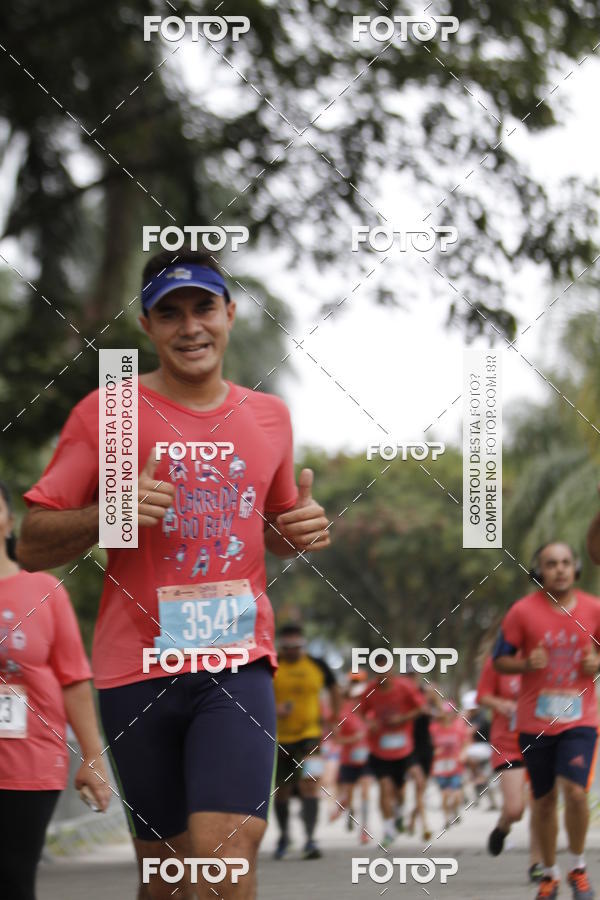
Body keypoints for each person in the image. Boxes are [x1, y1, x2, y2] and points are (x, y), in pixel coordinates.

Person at [17, 249, 331, 900]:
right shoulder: (109, 414)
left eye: (203, 308)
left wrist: (295, 531)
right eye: (171, 313)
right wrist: (112, 514)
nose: (190, 326)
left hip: (238, 663)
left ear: (230, 314)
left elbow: (270, 525)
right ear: (147, 326)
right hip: (138, 673)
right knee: (165, 880)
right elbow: (32, 542)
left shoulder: (269, 416)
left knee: (223, 854)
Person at [0, 480, 111, 900]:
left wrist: (93, 758)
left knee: (12, 878)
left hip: (28, 764)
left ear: (10, 520)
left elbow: (74, 679)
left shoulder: (44, 591)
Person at [494, 542, 600, 900]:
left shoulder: (594, 608)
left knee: (575, 793)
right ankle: (550, 874)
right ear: (539, 571)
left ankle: (579, 868)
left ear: (576, 569)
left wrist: (596, 664)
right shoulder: (521, 612)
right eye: (551, 564)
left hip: (580, 719)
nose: (560, 569)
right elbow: (500, 661)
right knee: (543, 800)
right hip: (535, 722)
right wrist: (525, 665)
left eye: (566, 562)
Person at [272, 623, 341, 860]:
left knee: (310, 785)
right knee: (282, 790)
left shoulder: (317, 665)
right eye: (288, 646)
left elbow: (334, 688)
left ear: (303, 644)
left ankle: (310, 840)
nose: (292, 650)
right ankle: (284, 837)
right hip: (280, 739)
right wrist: (274, 709)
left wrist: (334, 715)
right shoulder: (271, 664)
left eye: (296, 646)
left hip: (311, 737)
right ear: (281, 645)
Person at [477, 654, 543, 882]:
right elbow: (482, 696)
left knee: (540, 803)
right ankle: (503, 826)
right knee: (515, 809)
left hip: (541, 738)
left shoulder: (546, 658)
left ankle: (536, 863)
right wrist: (500, 703)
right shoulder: (498, 661)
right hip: (508, 742)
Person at [362, 673, 426, 848]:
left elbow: (421, 708)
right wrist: (370, 722)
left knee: (400, 792)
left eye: (386, 673)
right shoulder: (370, 690)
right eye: (378, 674)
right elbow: (361, 712)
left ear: (392, 671)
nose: (383, 678)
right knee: (384, 788)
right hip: (380, 750)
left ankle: (398, 814)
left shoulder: (405, 686)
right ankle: (388, 831)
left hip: (403, 749)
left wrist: (402, 719)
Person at [329, 671, 372, 844]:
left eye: (359, 683)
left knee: (365, 792)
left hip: (367, 758)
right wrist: (353, 739)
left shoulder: (369, 709)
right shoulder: (342, 712)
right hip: (348, 759)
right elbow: (336, 738)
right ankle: (347, 810)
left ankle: (365, 829)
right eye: (353, 683)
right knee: (348, 795)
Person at [430, 701, 471, 829]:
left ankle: (455, 811)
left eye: (449, 712)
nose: (447, 715)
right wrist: (434, 752)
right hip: (440, 766)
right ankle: (446, 819)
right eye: (445, 712)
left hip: (455, 765)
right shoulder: (433, 728)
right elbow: (428, 746)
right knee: (445, 795)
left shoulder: (459, 726)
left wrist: (463, 754)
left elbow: (466, 743)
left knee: (456, 796)